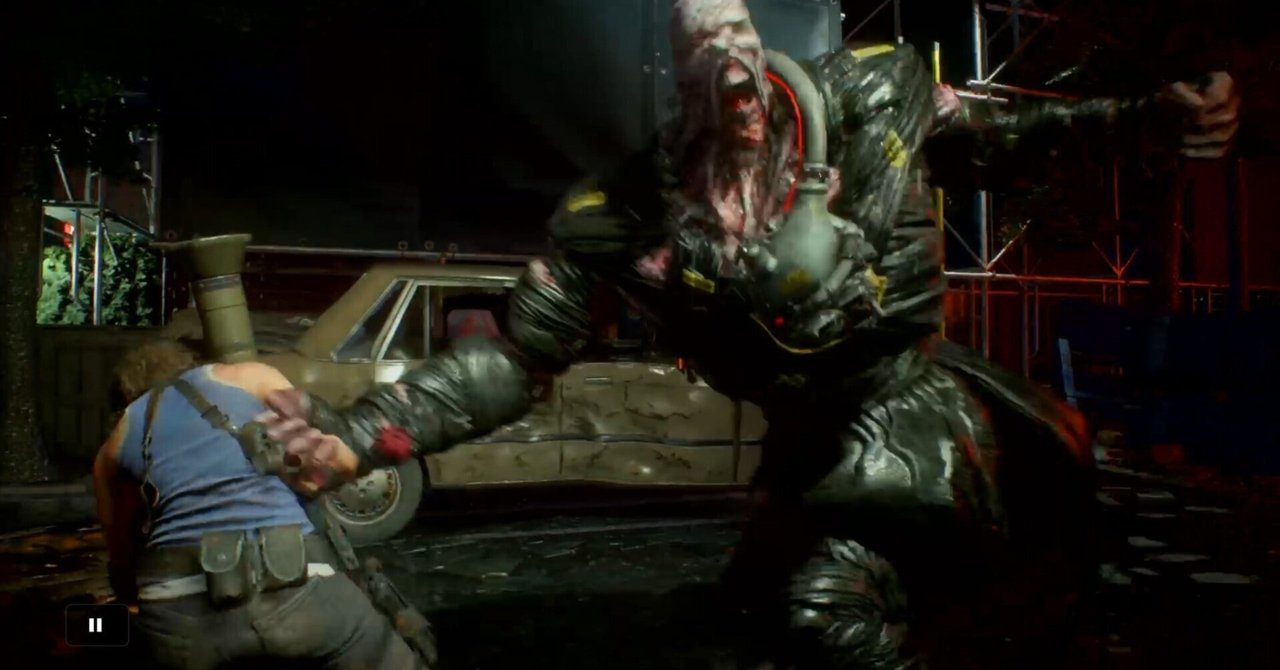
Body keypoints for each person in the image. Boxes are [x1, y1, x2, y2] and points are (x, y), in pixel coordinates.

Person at [258, 1, 1240, 667]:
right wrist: (358, 434)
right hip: (811, 451)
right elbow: (515, 357)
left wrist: (1140, 121)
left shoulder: (876, 97)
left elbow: (996, 143)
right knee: (774, 618)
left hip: (926, 429)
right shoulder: (618, 217)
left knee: (862, 617)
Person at [93, 337, 432, 669]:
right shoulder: (249, 376)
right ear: (191, 364)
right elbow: (335, 461)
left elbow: (122, 559)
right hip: (298, 588)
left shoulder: (116, 441)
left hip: (179, 618)